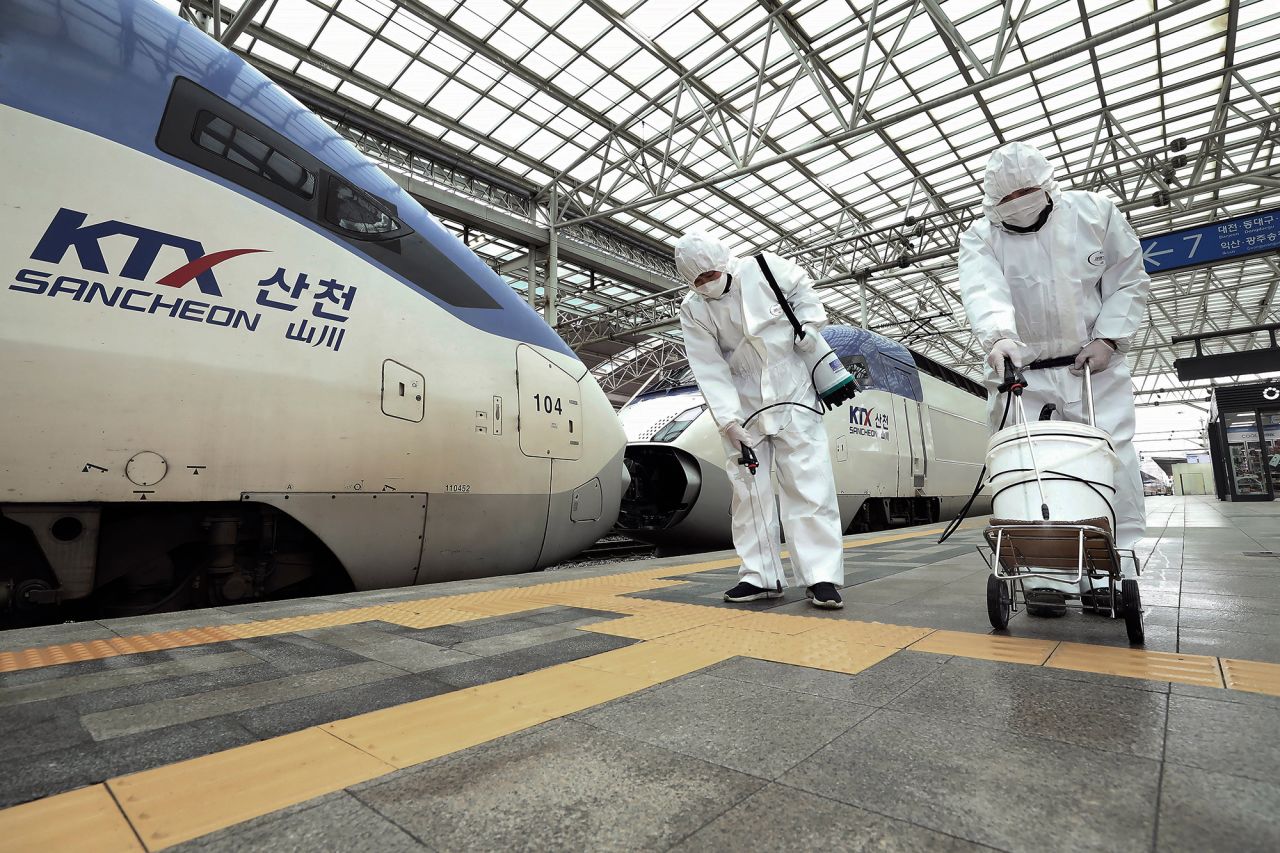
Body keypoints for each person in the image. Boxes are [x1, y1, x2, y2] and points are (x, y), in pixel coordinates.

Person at [959, 141, 1151, 561]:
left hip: (1092, 368)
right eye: (1007, 201)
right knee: (1024, 465)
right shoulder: (981, 237)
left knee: (1111, 457)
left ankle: (1119, 559)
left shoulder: (1095, 213)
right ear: (993, 204)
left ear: (1048, 187)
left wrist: (1109, 339)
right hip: (1021, 373)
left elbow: (1129, 280)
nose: (1018, 207)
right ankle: (1043, 569)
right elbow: (983, 290)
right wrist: (998, 338)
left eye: (1024, 196)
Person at [674, 232, 846, 609]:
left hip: (793, 392)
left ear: (725, 262)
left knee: (807, 484)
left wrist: (809, 324)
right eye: (697, 281)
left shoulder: (764, 268)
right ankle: (760, 576)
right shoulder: (693, 309)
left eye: (710, 275)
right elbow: (707, 365)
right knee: (748, 492)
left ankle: (820, 577)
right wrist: (727, 420)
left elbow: (803, 292)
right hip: (742, 403)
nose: (706, 284)